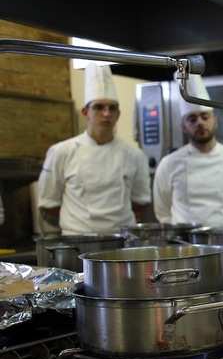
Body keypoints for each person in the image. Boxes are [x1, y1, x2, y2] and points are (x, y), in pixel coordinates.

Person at [38, 64, 151, 235]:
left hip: (122, 242)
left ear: (118, 114)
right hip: (77, 242)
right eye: (99, 107)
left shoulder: (135, 155)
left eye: (112, 108)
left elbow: (140, 202)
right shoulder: (61, 152)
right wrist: (79, 225)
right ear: (85, 112)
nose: (106, 114)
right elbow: (49, 204)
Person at [153, 74, 223, 227]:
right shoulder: (169, 164)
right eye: (192, 119)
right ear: (183, 126)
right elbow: (162, 211)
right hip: (185, 246)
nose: (200, 123)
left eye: (205, 117)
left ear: (214, 120)